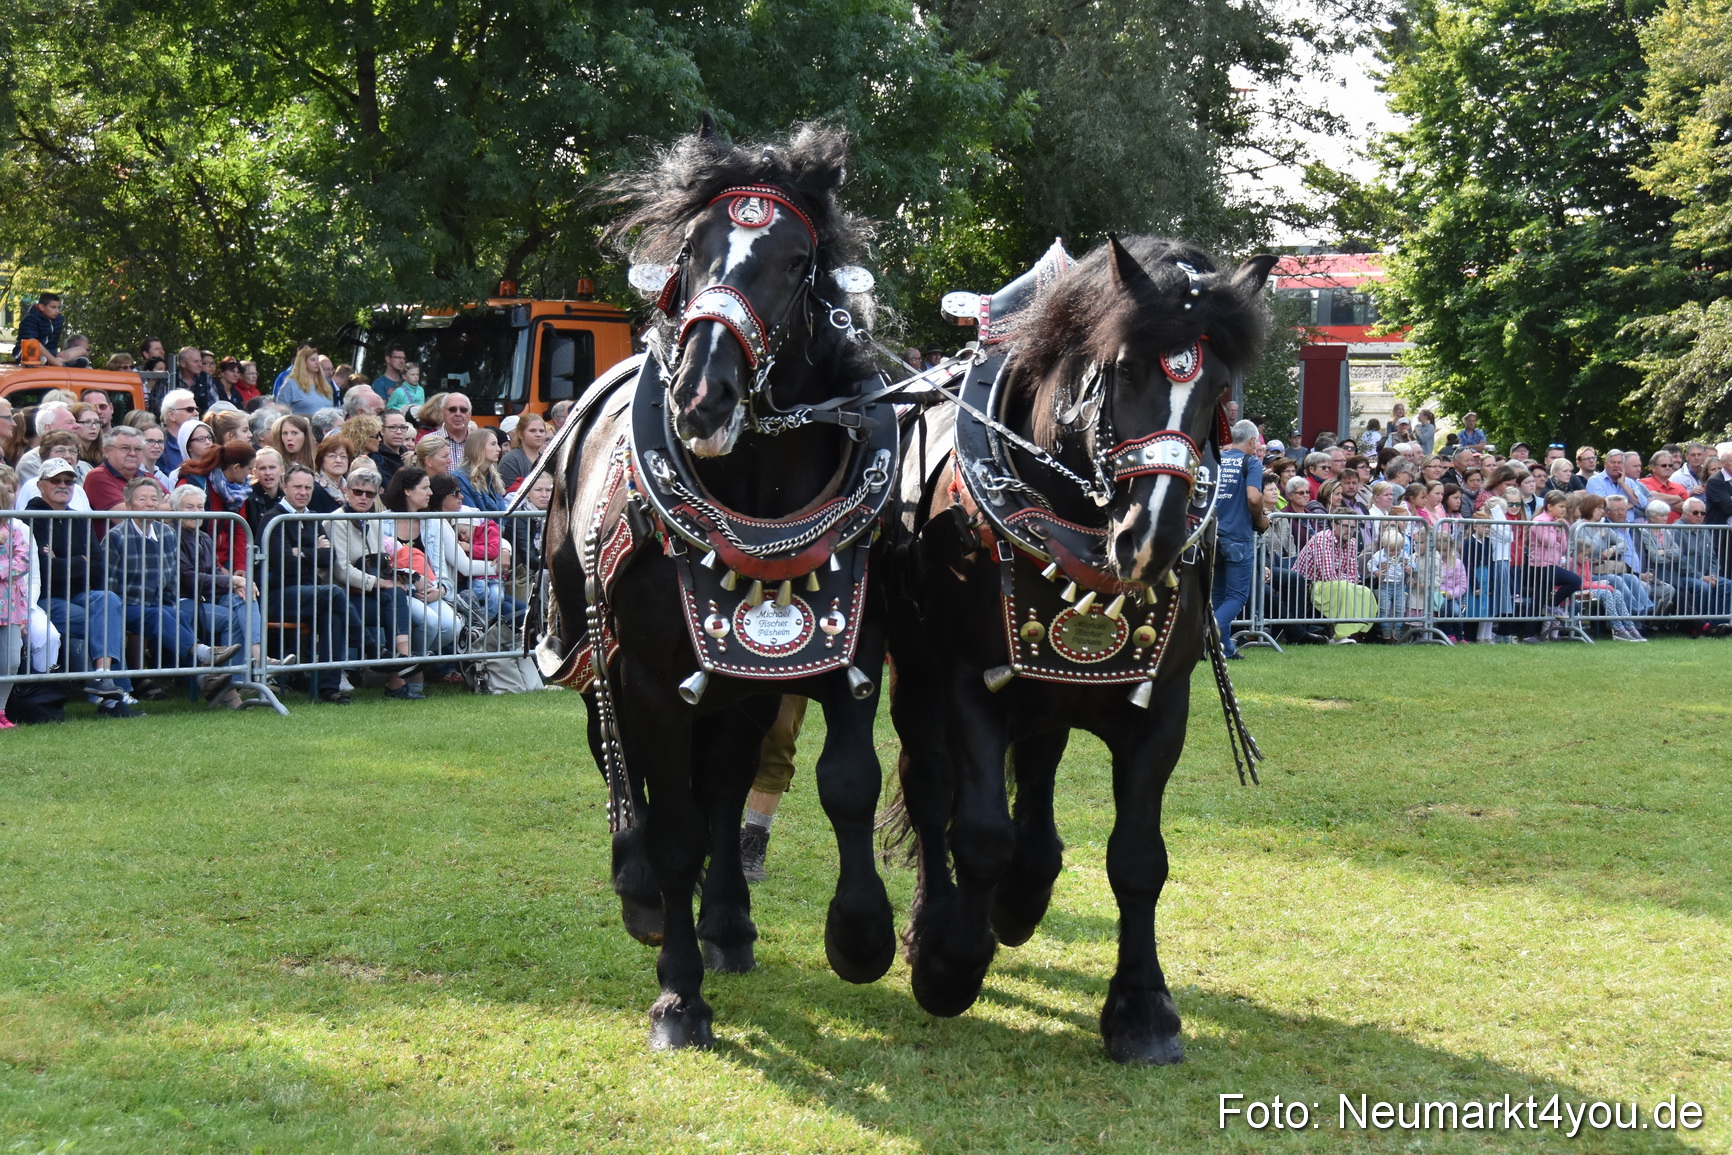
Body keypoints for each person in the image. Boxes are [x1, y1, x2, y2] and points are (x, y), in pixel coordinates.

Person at [259, 464, 363, 703]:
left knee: (333, 615)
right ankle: (366, 642)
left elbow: (329, 559)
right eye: (297, 486)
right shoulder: (273, 519)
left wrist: (301, 553)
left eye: (308, 487)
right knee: (334, 594)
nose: (303, 492)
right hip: (278, 595)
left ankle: (328, 689)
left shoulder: (312, 516)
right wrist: (313, 551)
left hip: (309, 593)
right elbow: (282, 563)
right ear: (284, 487)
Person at [325, 465, 425, 700]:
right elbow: (341, 571)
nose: (363, 498)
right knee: (393, 596)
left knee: (397, 595)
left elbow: (380, 561)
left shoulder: (375, 521)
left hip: (368, 593)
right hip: (343, 596)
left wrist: (397, 576)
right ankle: (402, 669)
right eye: (358, 492)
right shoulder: (334, 521)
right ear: (347, 491)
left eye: (370, 494)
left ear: (377, 495)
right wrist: (380, 582)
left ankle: (399, 670)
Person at [168, 484, 266, 706]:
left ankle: (244, 672)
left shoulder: (204, 537)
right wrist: (232, 580)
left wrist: (235, 586)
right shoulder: (171, 535)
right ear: (174, 511)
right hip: (179, 602)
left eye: (200, 507)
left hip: (203, 600)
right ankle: (249, 668)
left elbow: (212, 575)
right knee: (233, 617)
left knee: (240, 598)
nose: (196, 512)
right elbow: (188, 579)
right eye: (189, 507)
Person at [380, 467, 463, 660]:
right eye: (425, 488)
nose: (431, 493)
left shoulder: (432, 522)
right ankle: (413, 672)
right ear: (408, 490)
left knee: (452, 625)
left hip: (429, 590)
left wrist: (441, 590)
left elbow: (440, 567)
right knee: (431, 623)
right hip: (400, 590)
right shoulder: (383, 522)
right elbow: (384, 567)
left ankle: (410, 663)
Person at [1212, 421, 1264, 659]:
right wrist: (1262, 520)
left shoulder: (1217, 459)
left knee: (1218, 595)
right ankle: (1208, 631)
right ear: (1252, 441)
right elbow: (1253, 497)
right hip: (1237, 537)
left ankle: (1224, 650)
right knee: (1236, 596)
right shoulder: (1251, 462)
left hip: (1211, 535)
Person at [1291, 516, 1377, 642]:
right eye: (1345, 526)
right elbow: (1328, 575)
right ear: (1334, 524)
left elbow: (1354, 575)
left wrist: (1344, 577)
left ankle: (1356, 633)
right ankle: (1339, 635)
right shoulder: (1322, 539)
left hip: (1332, 583)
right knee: (1342, 587)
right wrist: (1344, 577)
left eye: (1352, 527)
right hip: (1308, 585)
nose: (1349, 530)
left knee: (1365, 591)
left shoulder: (1351, 543)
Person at [79, 426, 148, 519]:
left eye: (138, 449)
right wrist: (160, 508)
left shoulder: (146, 476)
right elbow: (124, 517)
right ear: (106, 451)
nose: (133, 453)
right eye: (125, 448)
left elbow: (173, 505)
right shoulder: (98, 476)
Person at [455, 428, 507, 512]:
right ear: (478, 447)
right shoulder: (460, 478)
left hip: (496, 525)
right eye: (493, 444)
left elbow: (503, 515)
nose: (499, 449)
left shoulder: (493, 477)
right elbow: (472, 516)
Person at [274, 346, 335, 416]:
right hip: (302, 425)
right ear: (303, 362)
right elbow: (280, 412)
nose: (317, 363)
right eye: (313, 360)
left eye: (317, 359)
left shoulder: (325, 384)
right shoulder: (291, 384)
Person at [156, 390, 202, 474]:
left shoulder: (204, 441)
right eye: (190, 409)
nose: (196, 413)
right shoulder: (158, 445)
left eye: (197, 409)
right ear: (171, 415)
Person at [499, 411, 549, 490]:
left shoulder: (547, 459)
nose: (538, 434)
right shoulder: (511, 460)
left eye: (541, 431)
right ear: (520, 434)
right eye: (532, 430)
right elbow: (510, 495)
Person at [310, 434, 350, 513]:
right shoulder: (314, 488)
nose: (338, 460)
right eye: (332, 456)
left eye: (343, 456)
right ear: (321, 460)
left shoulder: (351, 488)